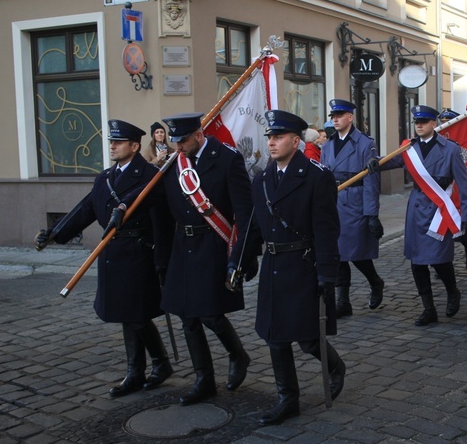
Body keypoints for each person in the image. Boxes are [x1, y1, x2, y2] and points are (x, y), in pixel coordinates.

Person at [35, 120, 173, 397]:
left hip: (138, 253)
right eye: (111, 142)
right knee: (129, 315)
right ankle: (149, 367)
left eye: (118, 142)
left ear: (134, 146)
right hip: (112, 254)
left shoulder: (149, 175)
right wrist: (55, 233)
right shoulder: (106, 177)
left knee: (135, 315)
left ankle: (147, 368)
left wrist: (161, 259)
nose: (112, 146)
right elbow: (86, 208)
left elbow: (157, 210)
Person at [233, 109, 345, 425]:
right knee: (275, 336)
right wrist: (239, 262)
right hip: (274, 265)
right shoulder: (263, 179)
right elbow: (254, 227)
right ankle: (288, 398)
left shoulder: (316, 175)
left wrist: (327, 273)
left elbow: (326, 228)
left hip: (304, 264)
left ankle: (335, 366)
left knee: (308, 336)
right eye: (269, 137)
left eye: (278, 137)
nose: (271, 142)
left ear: (295, 141)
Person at [160, 112, 255, 406]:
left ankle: (238, 354)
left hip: (214, 243)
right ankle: (204, 379)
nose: (178, 147)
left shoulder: (227, 158)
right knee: (187, 316)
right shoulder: (173, 163)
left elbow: (245, 210)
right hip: (183, 245)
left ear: (199, 135)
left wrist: (242, 256)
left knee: (210, 313)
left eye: (183, 140)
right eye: (175, 141)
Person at [371, 105, 467, 326]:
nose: (419, 125)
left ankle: (452, 290)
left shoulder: (450, 149)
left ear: (433, 124)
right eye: (416, 122)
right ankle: (429, 309)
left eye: (424, 122)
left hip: (440, 210)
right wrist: (375, 163)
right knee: (417, 262)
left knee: (439, 259)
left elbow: (464, 186)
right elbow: (392, 161)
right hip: (417, 209)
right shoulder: (408, 148)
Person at [320, 99, 385, 318]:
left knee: (356, 252)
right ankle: (343, 302)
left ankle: (375, 281)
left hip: (355, 202)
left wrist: (372, 214)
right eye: (333, 116)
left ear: (350, 117)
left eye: (340, 115)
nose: (335, 119)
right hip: (332, 201)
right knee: (337, 254)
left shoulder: (365, 144)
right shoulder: (328, 145)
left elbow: (371, 181)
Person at [439, 108, 467, 271]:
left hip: (456, 190)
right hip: (440, 192)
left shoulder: (455, 147)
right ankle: (441, 261)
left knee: (464, 228)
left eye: (447, 122)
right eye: (442, 122)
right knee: (440, 229)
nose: (443, 126)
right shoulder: (435, 141)